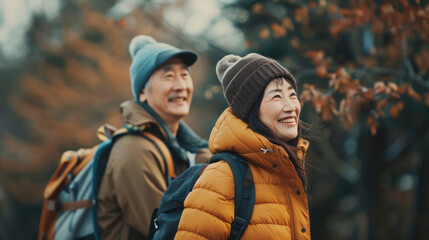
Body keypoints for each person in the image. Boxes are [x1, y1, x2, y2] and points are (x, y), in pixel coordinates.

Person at [175, 53, 311, 240]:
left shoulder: (285, 171)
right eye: (277, 97)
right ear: (251, 110)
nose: (291, 106)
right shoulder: (222, 178)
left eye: (292, 94)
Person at [97, 35, 211, 239]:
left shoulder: (186, 149)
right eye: (168, 76)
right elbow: (166, 232)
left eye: (184, 75)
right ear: (142, 92)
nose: (180, 85)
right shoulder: (135, 150)